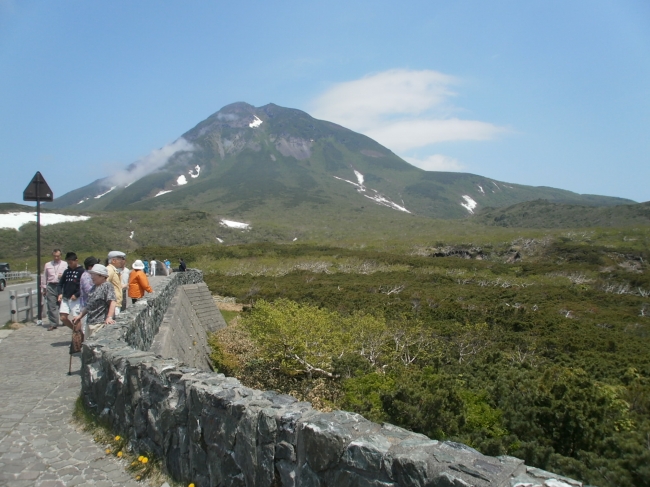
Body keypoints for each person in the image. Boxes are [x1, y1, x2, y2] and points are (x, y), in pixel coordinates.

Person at [73, 264, 116, 337]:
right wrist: (80, 316)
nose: (91, 277)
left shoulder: (107, 285)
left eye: (93, 275)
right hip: (90, 322)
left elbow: (112, 301)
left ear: (101, 276)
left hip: (100, 323)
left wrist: (109, 317)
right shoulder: (93, 287)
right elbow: (89, 305)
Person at [57, 252, 85, 331]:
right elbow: (60, 284)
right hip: (66, 297)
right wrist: (60, 293)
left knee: (76, 318)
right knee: (63, 318)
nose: (70, 264)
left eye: (71, 262)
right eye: (68, 263)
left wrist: (77, 294)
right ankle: (75, 330)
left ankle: (78, 336)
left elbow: (84, 287)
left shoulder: (82, 271)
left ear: (76, 260)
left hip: (76, 298)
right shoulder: (66, 272)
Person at [42, 249, 68, 329]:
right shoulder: (48, 265)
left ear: (60, 256)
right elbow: (44, 276)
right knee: (51, 305)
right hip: (51, 286)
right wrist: (44, 288)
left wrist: (63, 276)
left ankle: (64, 321)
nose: (56, 258)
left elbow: (68, 275)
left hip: (61, 286)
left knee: (63, 304)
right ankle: (53, 323)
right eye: (55, 256)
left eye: (58, 256)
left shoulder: (65, 264)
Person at [79, 256, 99, 337]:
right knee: (86, 329)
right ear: (90, 266)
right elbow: (89, 291)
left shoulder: (90, 275)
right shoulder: (86, 276)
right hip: (87, 306)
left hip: (91, 307)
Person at [106, 251, 125, 316]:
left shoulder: (114, 270)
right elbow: (104, 285)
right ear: (113, 260)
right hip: (113, 303)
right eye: (120, 259)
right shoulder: (110, 270)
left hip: (116, 303)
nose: (122, 261)